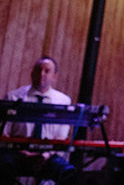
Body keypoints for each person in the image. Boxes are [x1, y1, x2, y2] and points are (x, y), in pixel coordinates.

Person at [0, 56, 76, 184]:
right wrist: (25, 153)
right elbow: (4, 133)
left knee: (69, 172)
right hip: (18, 153)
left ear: (54, 76)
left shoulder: (64, 101)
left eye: (47, 71)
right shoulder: (14, 97)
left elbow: (62, 138)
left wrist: (46, 156)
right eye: (38, 70)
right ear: (32, 73)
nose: (42, 74)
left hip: (48, 156)